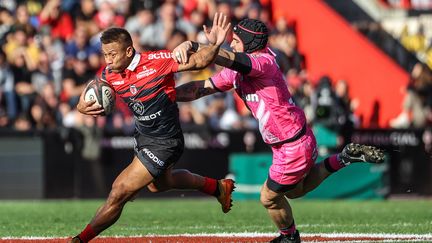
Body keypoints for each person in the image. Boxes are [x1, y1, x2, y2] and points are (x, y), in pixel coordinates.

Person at [173, 18, 385, 243]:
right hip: (294, 140)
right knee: (294, 191)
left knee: (269, 197)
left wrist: (196, 45)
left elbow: (231, 58)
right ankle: (342, 158)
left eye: (235, 40)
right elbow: (201, 88)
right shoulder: (237, 72)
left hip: (292, 145)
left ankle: (290, 238)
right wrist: (168, 94)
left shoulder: (264, 62)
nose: (232, 44)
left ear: (248, 42)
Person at [70, 13, 234, 243]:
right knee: (161, 185)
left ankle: (79, 240)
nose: (107, 60)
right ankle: (218, 188)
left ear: (129, 51)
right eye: (105, 54)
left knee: (119, 192)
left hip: (165, 142)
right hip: (144, 137)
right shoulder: (110, 72)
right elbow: (94, 89)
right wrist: (80, 105)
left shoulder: (157, 61)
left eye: (112, 54)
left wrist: (215, 43)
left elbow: (200, 61)